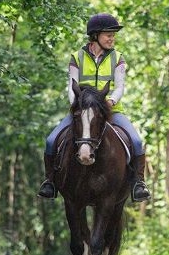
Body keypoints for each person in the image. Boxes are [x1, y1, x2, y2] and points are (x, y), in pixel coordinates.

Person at [37, 13, 151, 203]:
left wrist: (111, 102)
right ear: (95, 35)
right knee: (50, 140)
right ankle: (50, 182)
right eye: (108, 35)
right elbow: (71, 86)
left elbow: (120, 86)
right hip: (82, 110)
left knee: (137, 142)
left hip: (111, 111)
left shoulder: (118, 58)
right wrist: (77, 105)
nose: (112, 39)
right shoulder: (77, 57)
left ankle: (139, 183)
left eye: (113, 35)